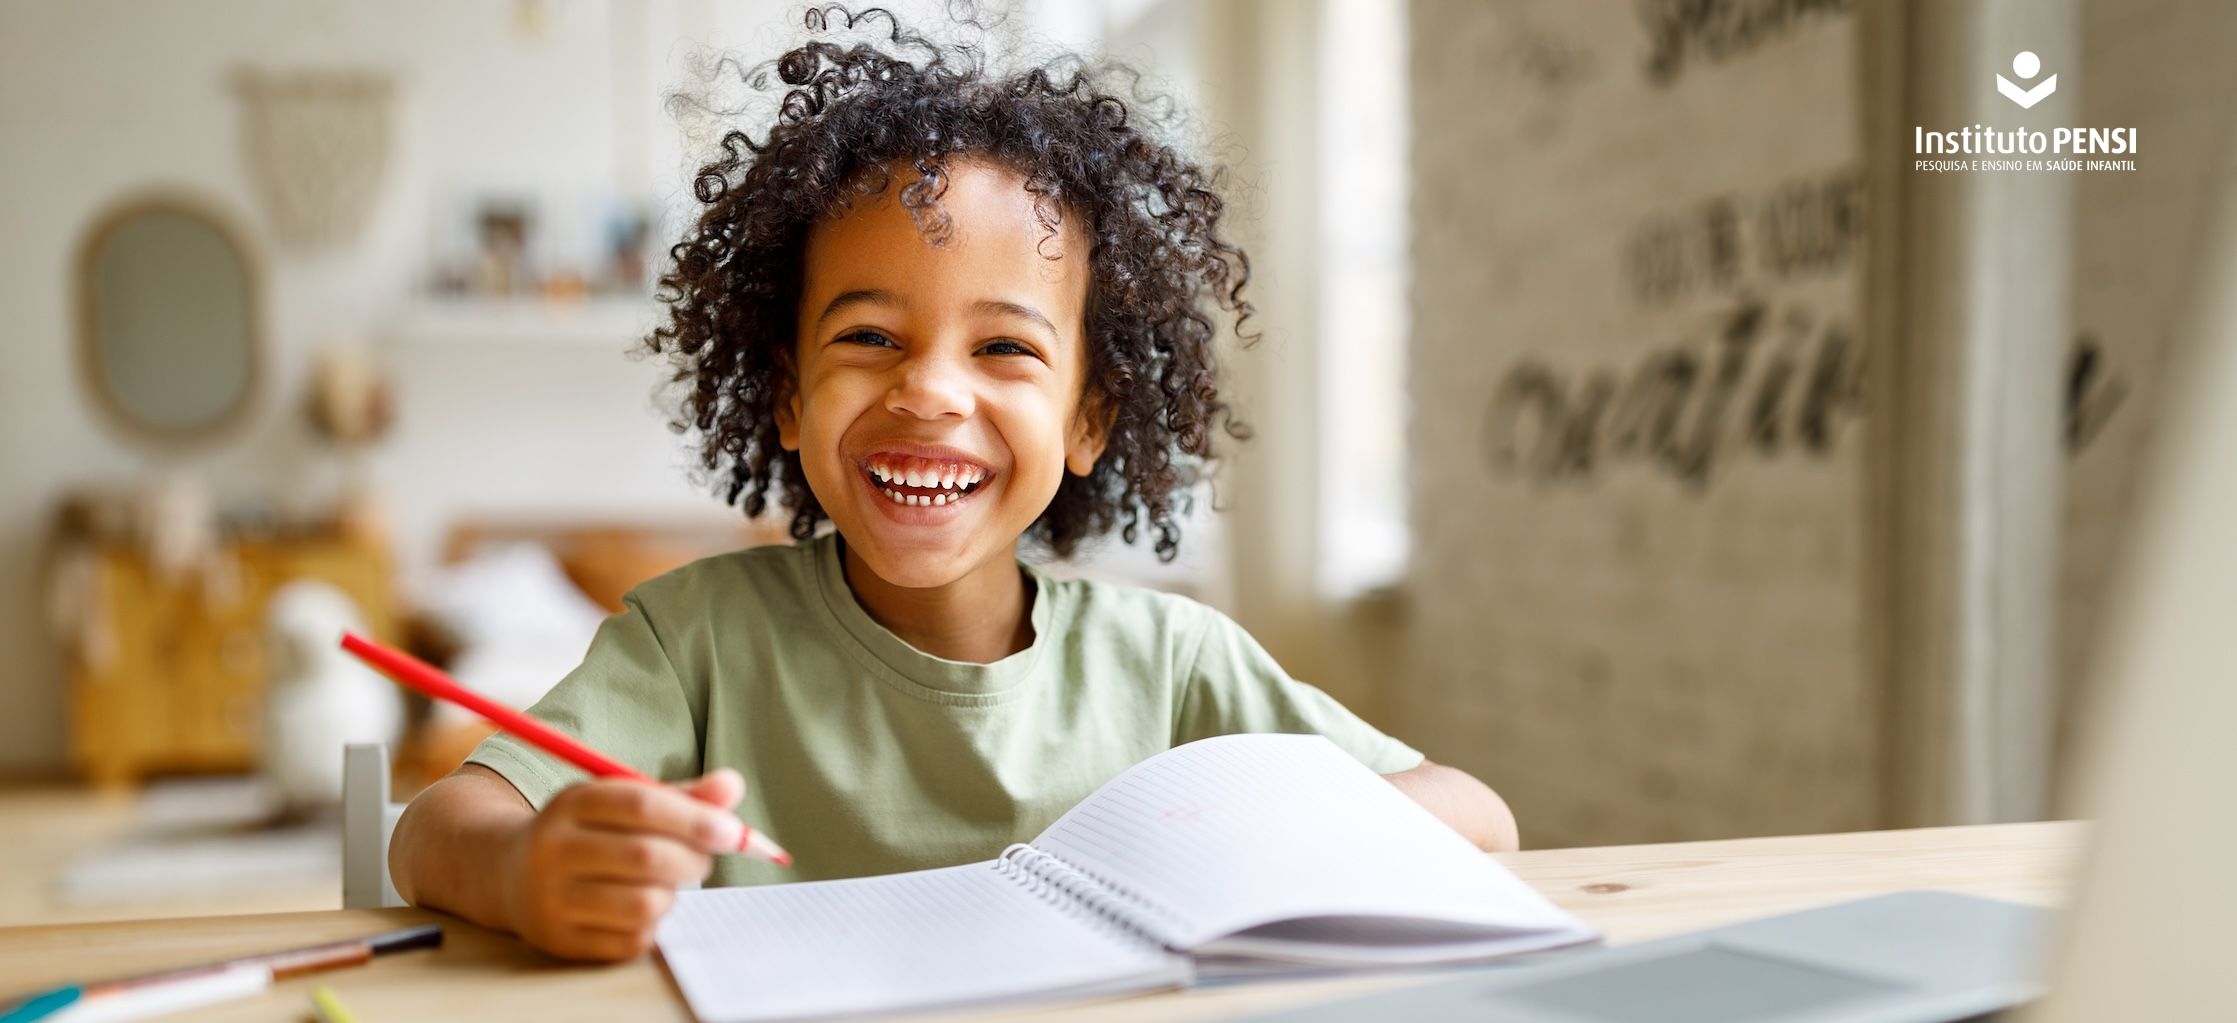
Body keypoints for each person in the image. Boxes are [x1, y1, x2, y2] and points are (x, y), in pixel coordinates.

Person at [387, 5, 1517, 963]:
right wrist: (526, 867)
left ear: (1087, 420)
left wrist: (1239, 839)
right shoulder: (695, 642)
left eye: (1004, 350)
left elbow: (1478, 820)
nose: (928, 392)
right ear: (787, 396)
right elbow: (437, 826)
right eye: (871, 336)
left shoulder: (1175, 664)